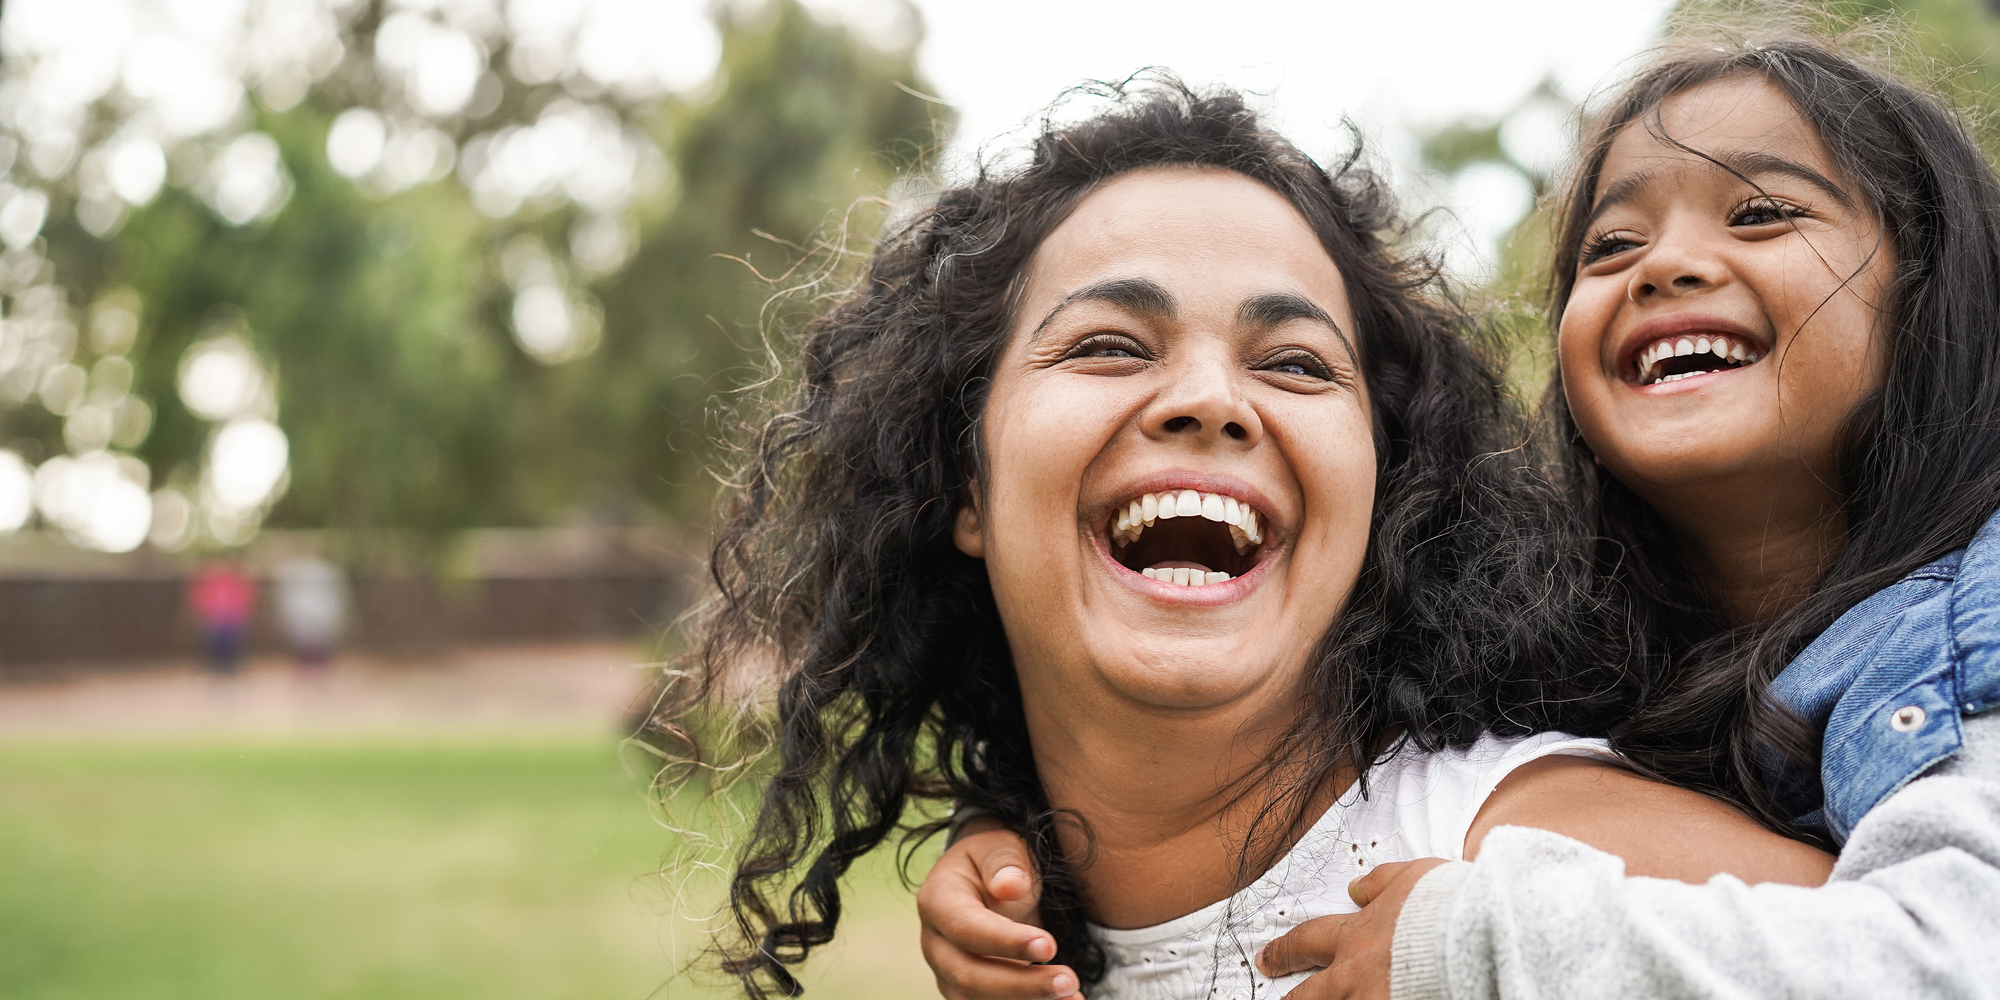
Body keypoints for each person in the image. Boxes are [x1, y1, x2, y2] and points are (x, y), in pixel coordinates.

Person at [658, 78, 1828, 1000]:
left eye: (1292, 364)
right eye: (1109, 344)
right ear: (964, 482)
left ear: (1384, 493)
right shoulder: (1031, 915)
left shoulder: (1524, 856)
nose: (1212, 399)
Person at [922, 31, 2000, 1000]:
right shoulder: (1627, 658)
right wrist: (1028, 837)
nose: (1664, 264)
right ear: (961, 480)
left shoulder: (1962, 633)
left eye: (1295, 362)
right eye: (1608, 247)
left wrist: (1476, 939)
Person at [273, 555, 349, 671]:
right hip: (307, 622)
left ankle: (318, 670)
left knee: (320, 648)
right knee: (306, 649)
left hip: (317, 621)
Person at [188, 560, 256, 677]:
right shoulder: (209, 582)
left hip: (232, 620)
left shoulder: (235, 582)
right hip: (215, 620)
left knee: (233, 645)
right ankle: (218, 669)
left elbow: (244, 598)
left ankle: (230, 669)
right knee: (215, 645)